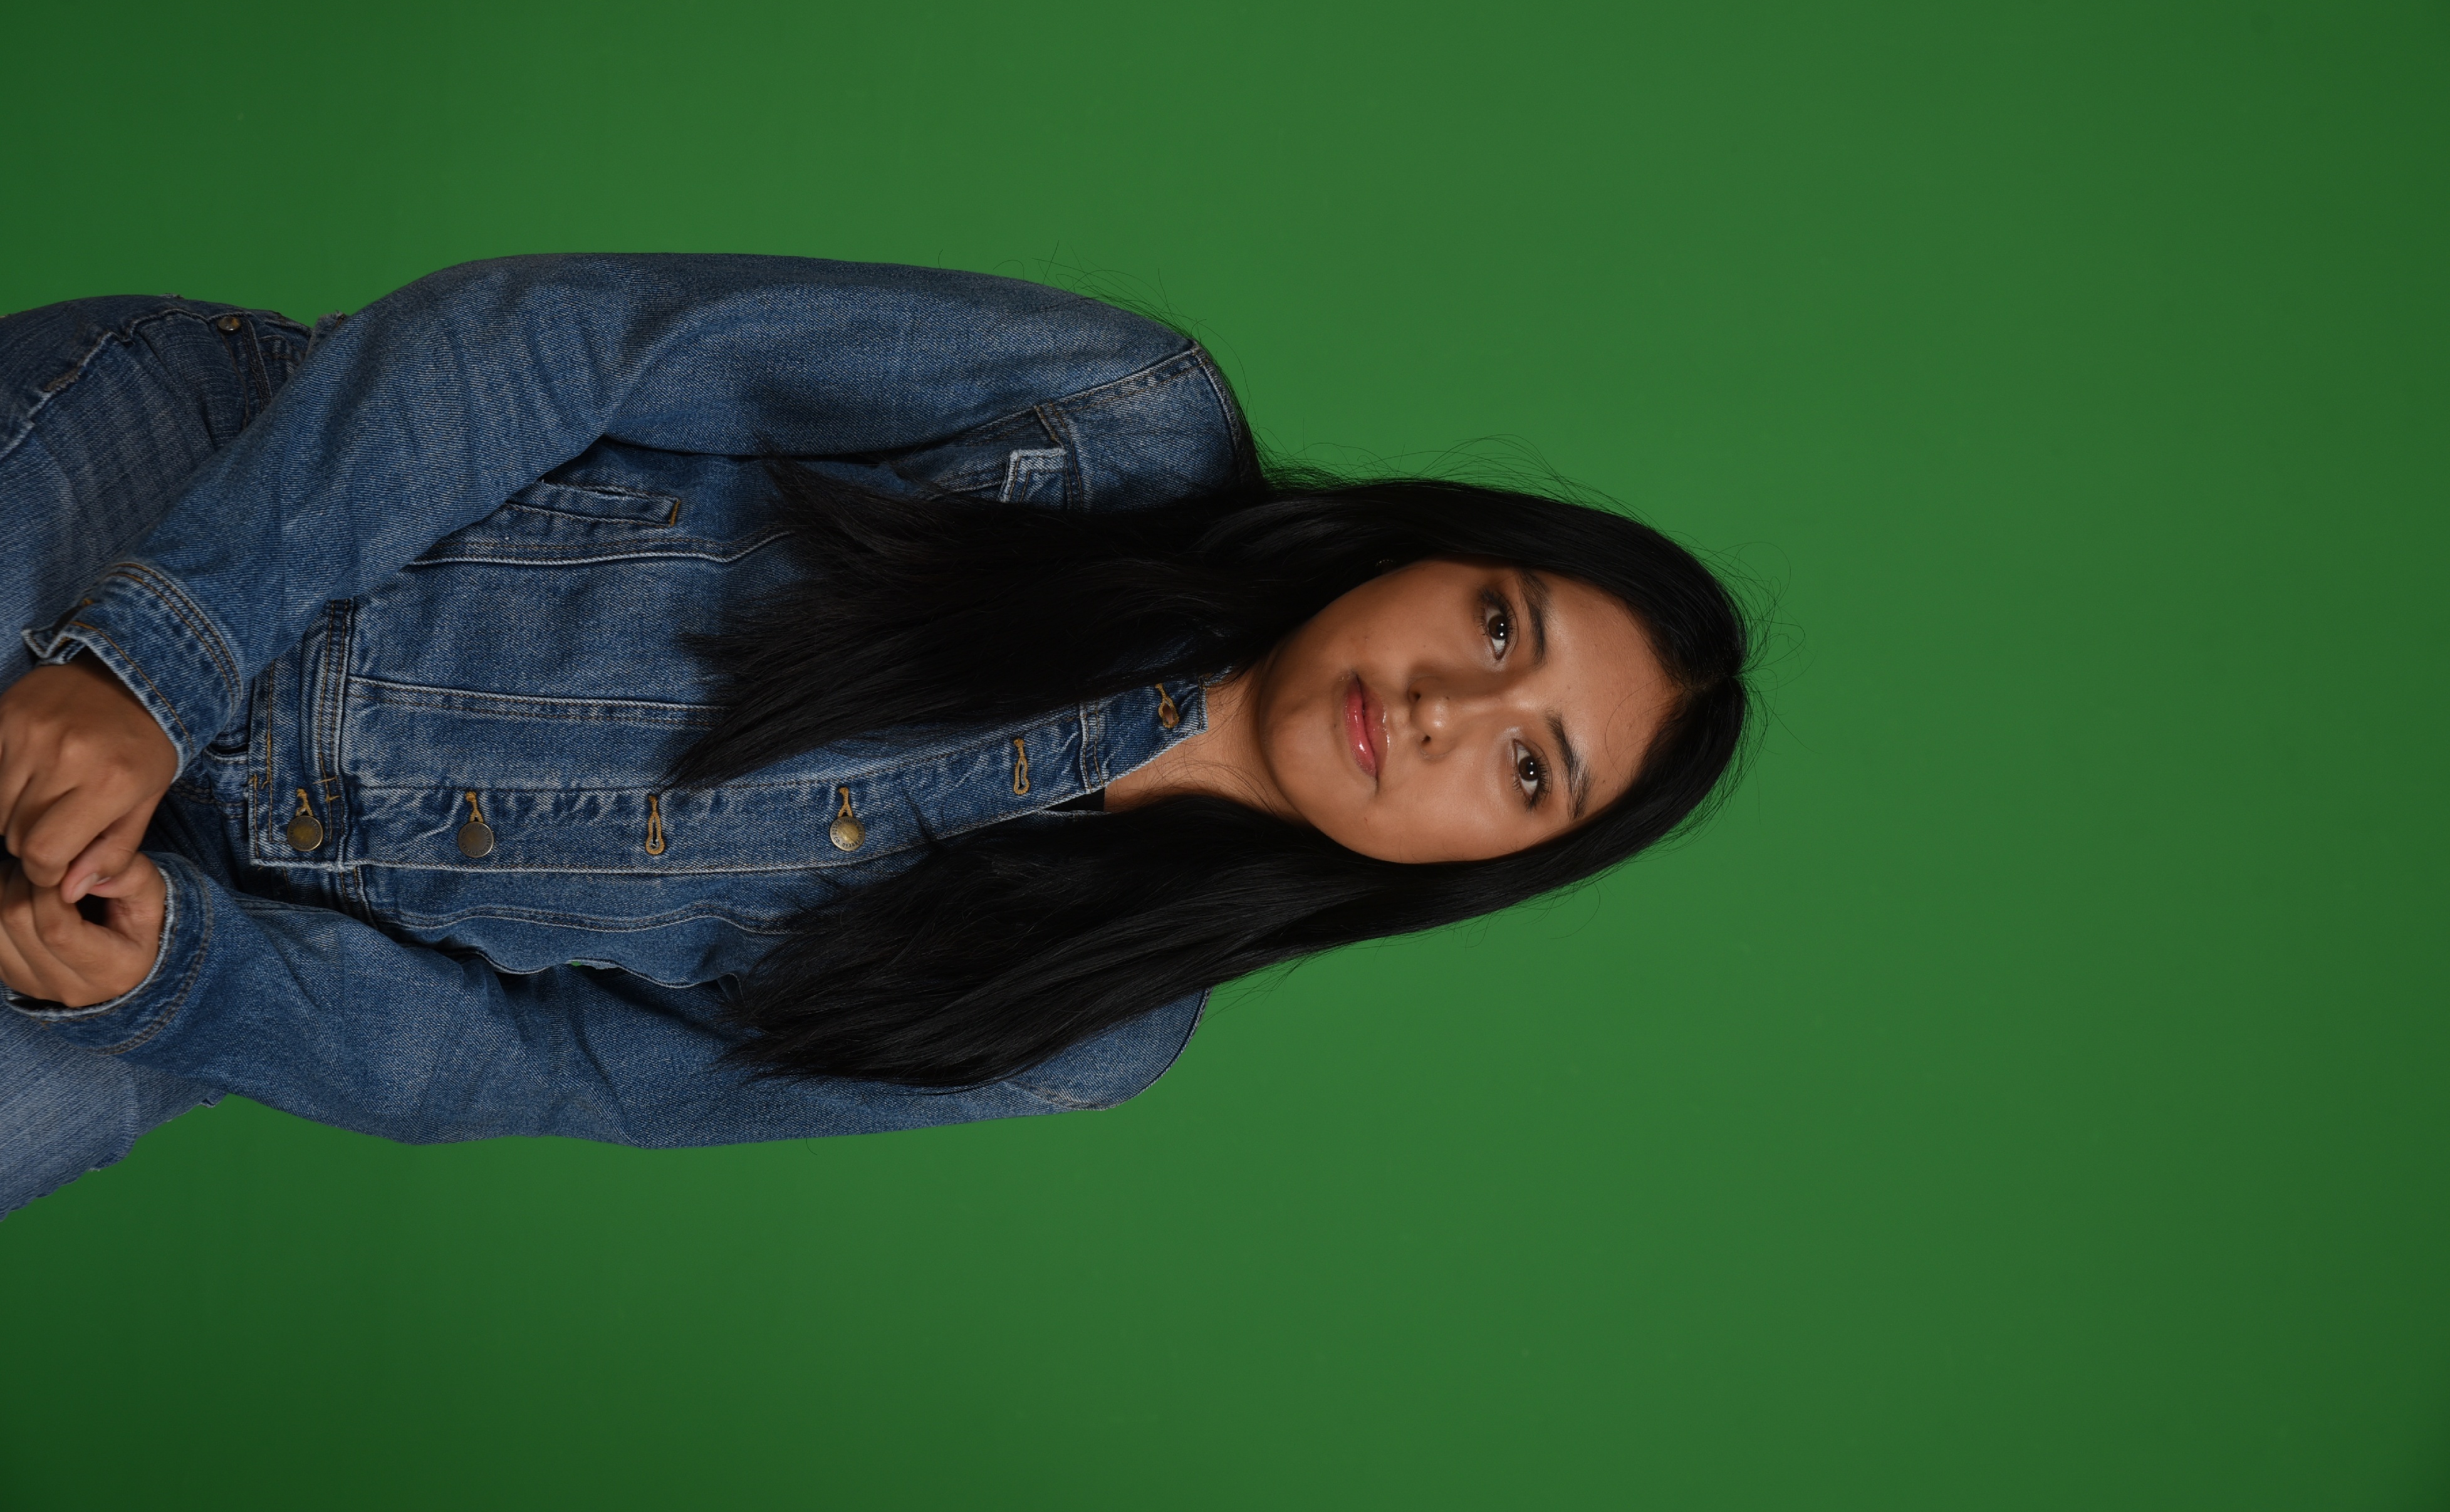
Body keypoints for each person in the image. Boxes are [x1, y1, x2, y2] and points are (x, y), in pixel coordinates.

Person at [0, 255, 1752, 1218]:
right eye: (1500, 623)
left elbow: (547, 1068)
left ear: (1485, 869)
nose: (1451, 710)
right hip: (197, 518)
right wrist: (159, 659)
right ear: (1433, 550)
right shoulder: (1112, 421)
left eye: (1530, 768)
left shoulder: (1085, 1030)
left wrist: (179, 977)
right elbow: (549, 349)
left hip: (202, 924)